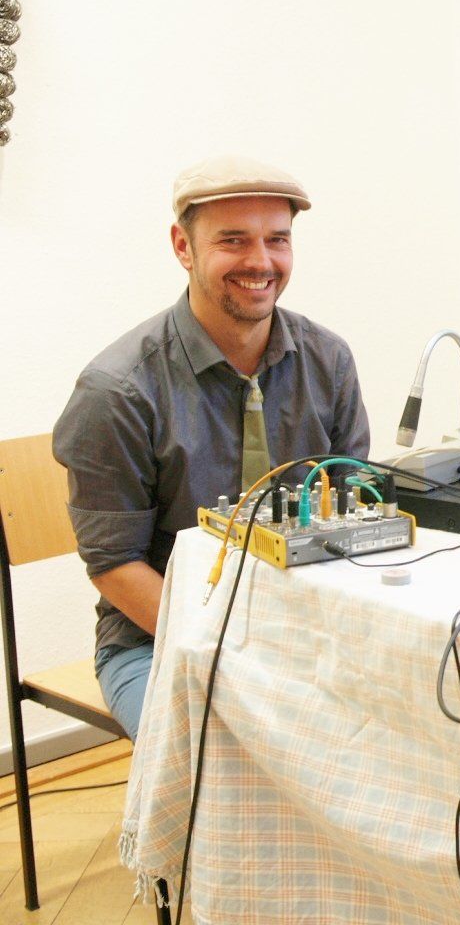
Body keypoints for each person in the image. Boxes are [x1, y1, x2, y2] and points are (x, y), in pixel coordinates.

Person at [53, 155, 371, 740]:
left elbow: (353, 513)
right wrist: (243, 651)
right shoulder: (117, 391)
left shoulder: (329, 361)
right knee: (230, 755)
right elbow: (115, 565)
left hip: (310, 628)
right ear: (184, 246)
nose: (261, 262)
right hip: (158, 639)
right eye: (233, 240)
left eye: (277, 239)